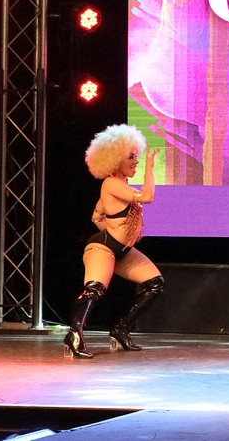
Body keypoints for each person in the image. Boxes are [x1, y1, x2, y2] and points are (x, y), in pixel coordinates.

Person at [63, 124, 163, 359]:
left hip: (121, 249)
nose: (136, 162)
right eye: (131, 157)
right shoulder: (111, 183)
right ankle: (74, 335)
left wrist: (119, 234)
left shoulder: (118, 186)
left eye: (137, 157)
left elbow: (97, 216)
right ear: (115, 161)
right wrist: (150, 168)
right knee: (94, 289)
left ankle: (120, 329)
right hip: (103, 248)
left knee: (155, 284)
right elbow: (147, 196)